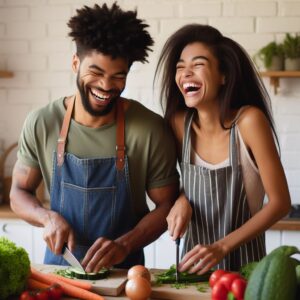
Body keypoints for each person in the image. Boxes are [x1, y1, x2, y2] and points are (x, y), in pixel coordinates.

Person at [10, 2, 179, 272]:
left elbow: (167, 205)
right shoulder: (42, 122)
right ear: (75, 63)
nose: (106, 86)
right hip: (59, 270)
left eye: (117, 76)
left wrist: (125, 244)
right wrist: (47, 218)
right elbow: (18, 192)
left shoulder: (149, 129)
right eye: (96, 72)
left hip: (124, 273)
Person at [154, 24, 291, 273]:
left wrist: (221, 247)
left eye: (197, 65)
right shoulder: (178, 125)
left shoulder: (249, 122)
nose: (185, 73)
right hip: (192, 271)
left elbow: (280, 203)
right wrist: (181, 200)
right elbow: (177, 187)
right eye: (180, 67)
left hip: (246, 270)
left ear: (224, 75)